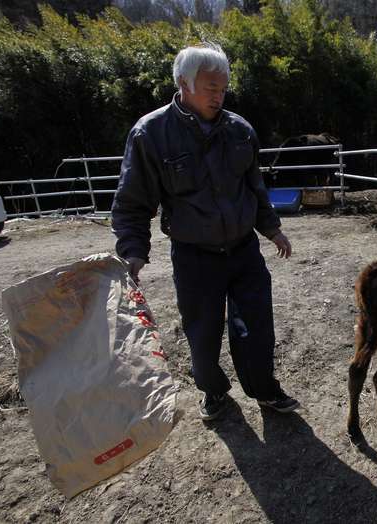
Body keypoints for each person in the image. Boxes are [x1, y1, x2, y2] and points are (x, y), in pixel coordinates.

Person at [111, 43, 299, 421]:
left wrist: (272, 229)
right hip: (194, 256)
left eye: (223, 87)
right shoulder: (151, 134)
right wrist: (133, 250)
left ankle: (264, 389)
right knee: (203, 331)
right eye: (210, 87)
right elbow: (132, 201)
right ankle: (213, 392)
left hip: (244, 251)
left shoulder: (240, 130)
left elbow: (255, 188)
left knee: (257, 327)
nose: (219, 95)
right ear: (183, 83)